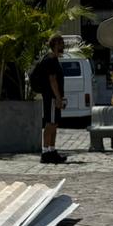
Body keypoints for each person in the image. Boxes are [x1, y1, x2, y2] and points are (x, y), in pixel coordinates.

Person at [39, 34, 67, 164]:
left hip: (55, 97)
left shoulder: (55, 59)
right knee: (49, 124)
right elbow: (52, 80)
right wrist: (58, 97)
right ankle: (45, 153)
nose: (63, 45)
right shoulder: (50, 59)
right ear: (55, 44)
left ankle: (52, 150)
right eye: (61, 43)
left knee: (54, 123)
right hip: (51, 97)